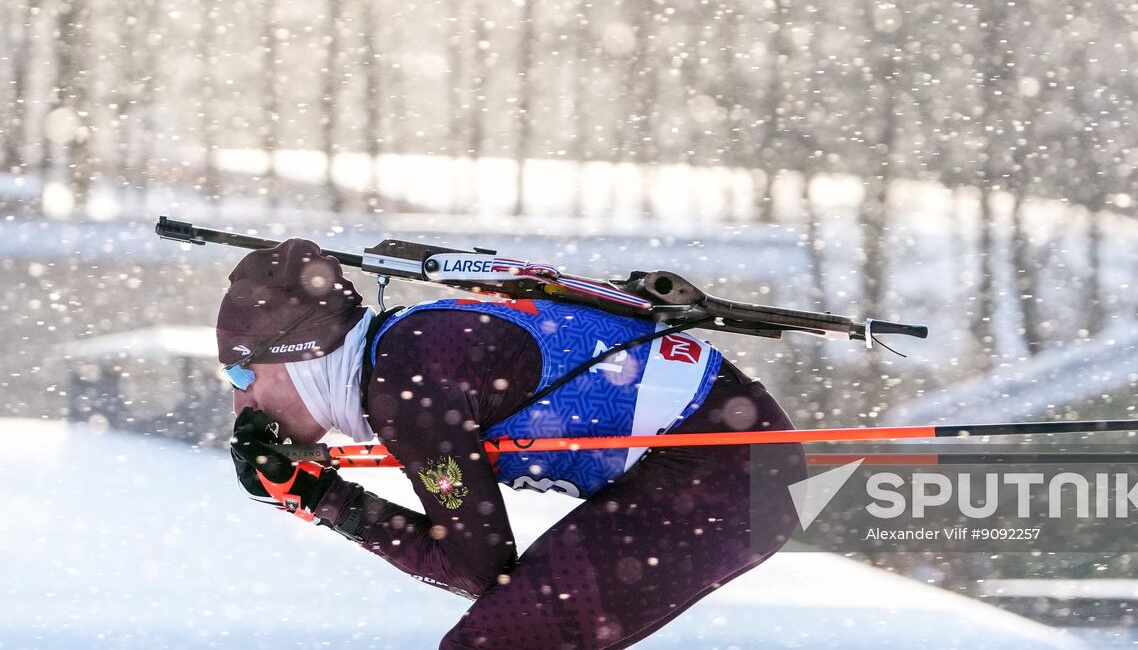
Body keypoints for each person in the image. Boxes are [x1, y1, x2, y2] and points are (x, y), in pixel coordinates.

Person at [219, 237, 806, 649]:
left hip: (728, 477)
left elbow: (476, 569)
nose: (239, 403)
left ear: (299, 358)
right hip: (725, 464)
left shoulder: (405, 387)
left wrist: (331, 503)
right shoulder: (404, 347)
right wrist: (324, 496)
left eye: (240, 376)